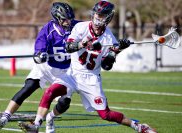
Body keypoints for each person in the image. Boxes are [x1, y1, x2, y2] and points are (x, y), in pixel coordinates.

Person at [20, 1, 157, 133]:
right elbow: (68, 47)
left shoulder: (109, 40)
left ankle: (138, 126)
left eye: (101, 15)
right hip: (72, 73)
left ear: (108, 17)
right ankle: (36, 125)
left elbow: (106, 65)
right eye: (97, 14)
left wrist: (116, 50)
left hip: (90, 78)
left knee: (106, 114)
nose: (98, 18)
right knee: (50, 92)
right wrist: (84, 44)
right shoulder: (80, 27)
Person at [0, 2, 79, 133]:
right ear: (57, 18)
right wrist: (40, 55)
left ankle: (49, 118)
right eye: (65, 19)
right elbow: (39, 50)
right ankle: (4, 118)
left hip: (66, 72)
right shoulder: (48, 30)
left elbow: (91, 29)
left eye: (70, 18)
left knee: (64, 102)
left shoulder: (77, 26)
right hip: (46, 67)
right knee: (28, 87)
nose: (68, 22)